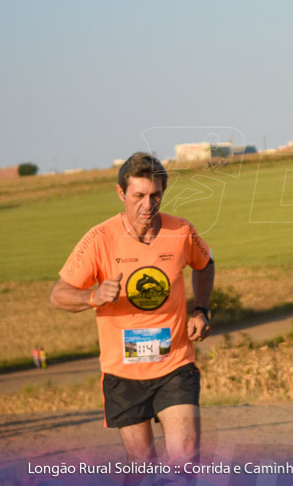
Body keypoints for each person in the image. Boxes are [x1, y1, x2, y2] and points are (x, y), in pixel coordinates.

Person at [50, 152, 215, 464]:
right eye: (139, 196)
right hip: (122, 374)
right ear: (121, 193)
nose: (148, 205)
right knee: (142, 466)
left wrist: (201, 310)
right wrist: (92, 298)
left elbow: (205, 264)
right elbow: (58, 294)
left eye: (155, 196)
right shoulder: (99, 238)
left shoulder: (180, 231)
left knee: (185, 457)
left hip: (174, 366)